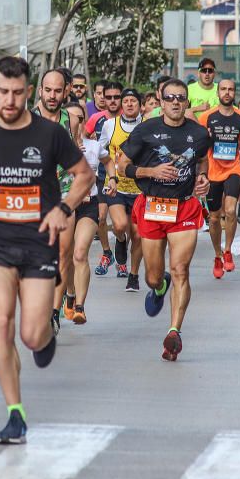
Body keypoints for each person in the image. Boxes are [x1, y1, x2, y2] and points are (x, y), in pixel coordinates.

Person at [0, 57, 92, 444]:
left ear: (29, 92)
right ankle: (15, 413)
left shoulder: (50, 134)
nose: (9, 101)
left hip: (37, 243)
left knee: (30, 335)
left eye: (17, 93)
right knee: (1, 324)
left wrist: (63, 208)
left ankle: (45, 338)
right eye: (2, 92)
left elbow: (84, 176)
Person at [118, 79, 210, 361]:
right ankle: (159, 286)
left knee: (181, 269)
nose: (175, 102)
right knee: (152, 276)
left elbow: (202, 161)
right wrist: (150, 172)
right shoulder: (146, 130)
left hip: (183, 208)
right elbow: (122, 166)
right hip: (152, 207)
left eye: (180, 98)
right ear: (160, 99)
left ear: (187, 102)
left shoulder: (199, 133)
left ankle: (174, 332)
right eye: (169, 97)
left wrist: (202, 179)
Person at [32, 70, 82, 332]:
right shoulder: (25, 119)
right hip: (31, 195)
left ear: (66, 92)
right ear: (40, 91)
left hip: (63, 191)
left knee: (63, 251)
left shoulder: (71, 120)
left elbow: (73, 153)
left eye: (57, 91)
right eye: (47, 90)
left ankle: (53, 311)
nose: (52, 96)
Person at [67, 102, 117, 321]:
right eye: (70, 118)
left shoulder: (94, 146)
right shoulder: (56, 147)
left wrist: (112, 179)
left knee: (79, 254)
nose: (75, 123)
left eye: (79, 118)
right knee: (65, 257)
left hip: (89, 205)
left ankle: (79, 307)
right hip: (64, 206)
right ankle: (69, 294)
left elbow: (108, 162)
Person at [197, 79, 240, 277]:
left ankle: (228, 251)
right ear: (218, 93)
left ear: (235, 92)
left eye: (231, 90)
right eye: (224, 89)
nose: (227, 92)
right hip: (213, 171)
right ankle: (217, 255)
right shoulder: (207, 117)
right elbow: (201, 145)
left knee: (230, 210)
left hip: (233, 168)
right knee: (215, 218)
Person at [98, 88, 146, 289]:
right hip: (116, 185)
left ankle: (133, 276)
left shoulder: (147, 126)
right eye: (125, 101)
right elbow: (101, 152)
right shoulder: (110, 125)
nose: (128, 104)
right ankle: (119, 240)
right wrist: (108, 175)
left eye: (133, 101)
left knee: (137, 235)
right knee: (119, 226)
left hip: (140, 190)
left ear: (140, 104)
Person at [89, 81, 122, 276]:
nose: (110, 100)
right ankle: (107, 253)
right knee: (100, 218)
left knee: (121, 224)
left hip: (126, 178)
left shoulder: (129, 118)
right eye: (106, 96)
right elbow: (81, 140)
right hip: (103, 175)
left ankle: (121, 254)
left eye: (115, 97)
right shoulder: (96, 118)